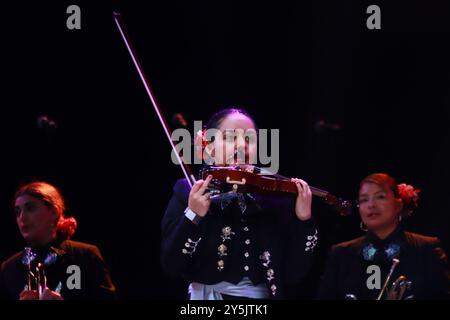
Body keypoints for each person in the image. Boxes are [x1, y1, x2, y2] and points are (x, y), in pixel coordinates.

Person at [161, 108, 318, 299]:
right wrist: (193, 215)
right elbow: (171, 264)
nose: (242, 145)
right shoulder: (187, 190)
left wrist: (304, 222)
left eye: (249, 139)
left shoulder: (273, 199)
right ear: (208, 146)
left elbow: (294, 274)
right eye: (229, 137)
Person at [317, 173, 449, 300]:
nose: (371, 205)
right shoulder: (341, 254)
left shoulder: (426, 249)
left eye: (380, 197)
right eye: (364, 199)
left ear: (398, 204)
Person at [0, 181, 117, 300]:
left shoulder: (84, 255)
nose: (22, 217)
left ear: (54, 212)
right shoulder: (10, 268)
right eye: (17, 211)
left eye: (30, 208)